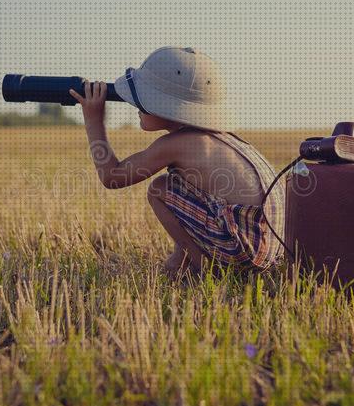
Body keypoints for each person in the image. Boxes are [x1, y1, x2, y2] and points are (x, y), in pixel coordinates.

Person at [69, 46, 285, 279]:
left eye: (142, 101)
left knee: (161, 189)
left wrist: (93, 120)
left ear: (168, 106)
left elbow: (112, 177)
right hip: (271, 249)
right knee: (180, 189)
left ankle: (203, 267)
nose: (136, 108)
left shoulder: (177, 144)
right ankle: (187, 259)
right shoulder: (222, 140)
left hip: (244, 248)